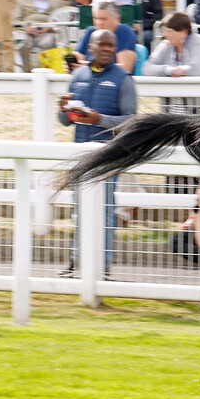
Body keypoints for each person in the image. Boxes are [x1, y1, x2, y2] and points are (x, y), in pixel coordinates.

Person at [56, 28, 137, 279]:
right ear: (90, 47)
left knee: (105, 210)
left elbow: (131, 121)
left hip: (108, 155)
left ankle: (104, 266)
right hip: (80, 153)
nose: (107, 49)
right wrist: (62, 108)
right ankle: (75, 261)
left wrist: (99, 119)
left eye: (111, 46)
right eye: (102, 45)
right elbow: (65, 121)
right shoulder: (77, 75)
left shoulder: (123, 79)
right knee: (78, 209)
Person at [13, 0, 67, 71]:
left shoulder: (57, 1)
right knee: (22, 44)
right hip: (28, 31)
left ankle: (47, 71)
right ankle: (27, 72)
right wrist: (26, 27)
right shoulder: (22, 2)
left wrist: (49, 27)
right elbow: (14, 20)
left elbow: (62, 20)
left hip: (47, 31)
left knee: (48, 42)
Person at [71, 0, 136, 73]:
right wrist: (72, 63)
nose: (99, 23)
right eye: (96, 18)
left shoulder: (125, 32)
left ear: (116, 18)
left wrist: (90, 67)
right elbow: (78, 56)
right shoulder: (90, 31)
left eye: (104, 19)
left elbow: (125, 68)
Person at [143, 11, 200, 77]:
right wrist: (168, 70)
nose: (164, 34)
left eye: (169, 31)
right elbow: (147, 68)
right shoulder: (165, 44)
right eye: (164, 31)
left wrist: (181, 70)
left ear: (183, 32)